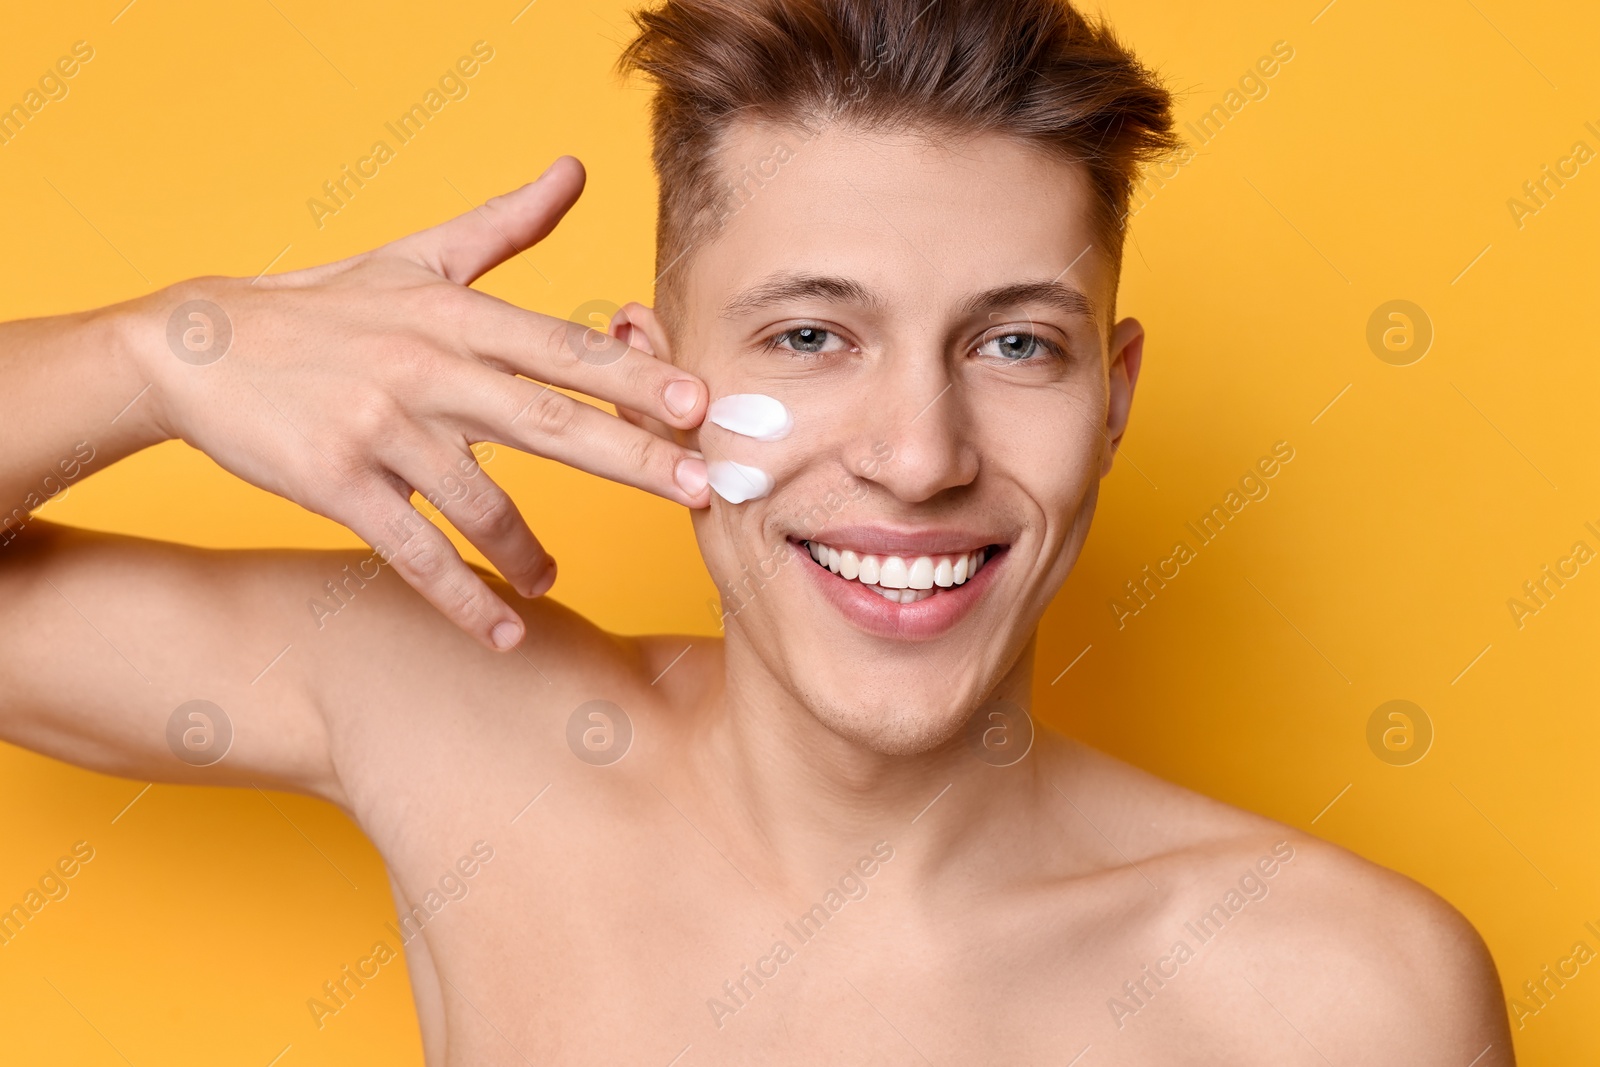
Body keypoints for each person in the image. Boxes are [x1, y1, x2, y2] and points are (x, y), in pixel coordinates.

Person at [0, 0, 1513, 1062]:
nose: (919, 458)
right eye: (807, 338)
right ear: (656, 383)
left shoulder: (1341, 998)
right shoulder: (460, 730)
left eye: (1014, 347)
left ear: (1113, 400)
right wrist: (168, 354)